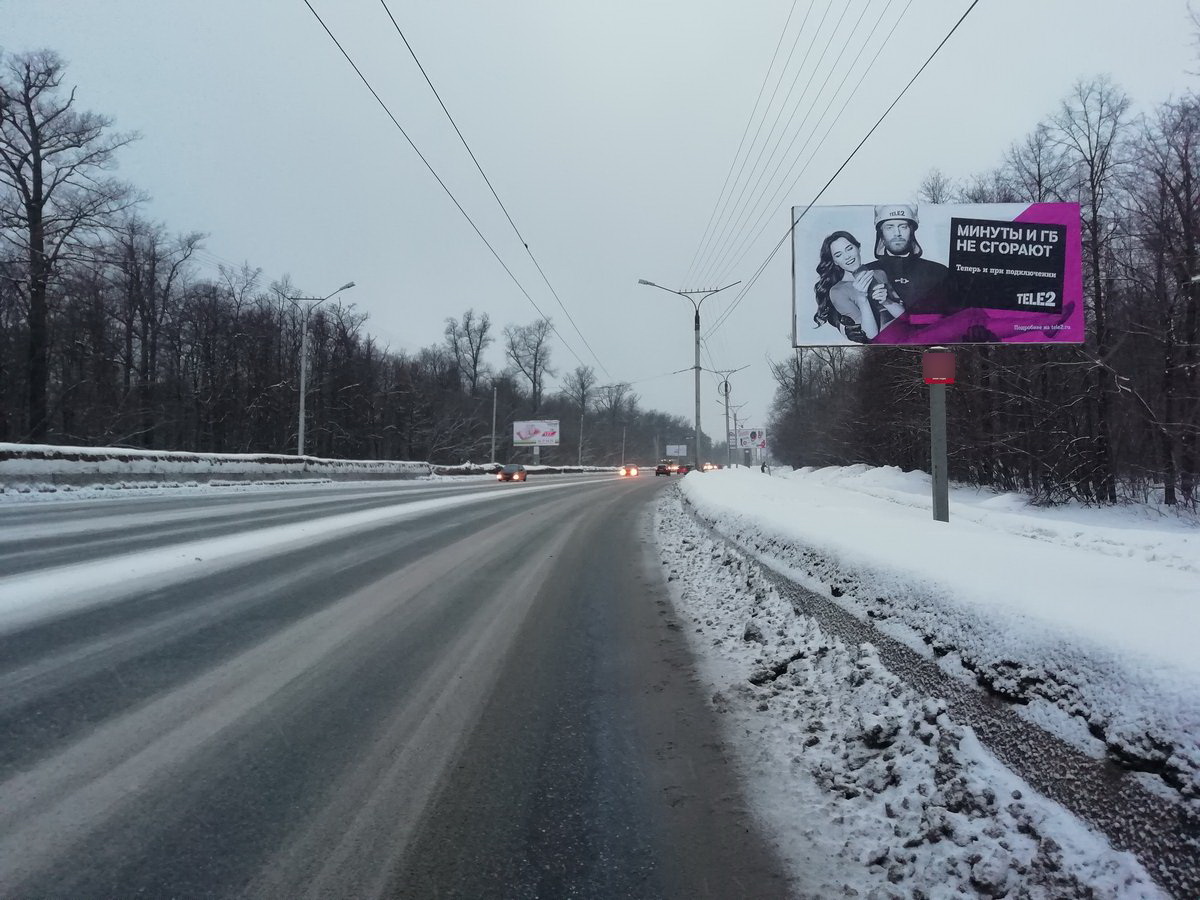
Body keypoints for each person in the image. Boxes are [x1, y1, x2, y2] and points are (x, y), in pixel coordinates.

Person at [859, 204, 954, 316]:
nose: (897, 233)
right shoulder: (865, 273)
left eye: (903, 226)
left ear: (912, 231)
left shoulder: (939, 272)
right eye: (889, 227)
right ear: (881, 234)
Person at [813, 230, 905, 343]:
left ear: (858, 248)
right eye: (838, 255)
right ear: (835, 262)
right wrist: (862, 299)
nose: (847, 256)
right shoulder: (838, 291)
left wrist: (886, 301)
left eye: (849, 248)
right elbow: (871, 336)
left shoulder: (879, 274)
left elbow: (905, 317)